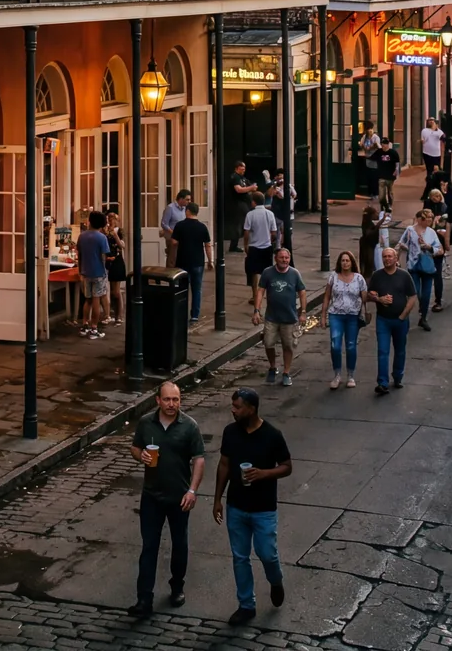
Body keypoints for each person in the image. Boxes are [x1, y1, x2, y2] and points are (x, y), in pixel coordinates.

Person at [127, 379, 206, 618]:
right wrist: (140, 456)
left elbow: (199, 459)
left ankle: (177, 586)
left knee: (179, 544)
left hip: (179, 497)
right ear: (158, 400)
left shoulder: (189, 426)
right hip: (151, 495)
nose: (172, 404)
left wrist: (192, 491)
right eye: (168, 399)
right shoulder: (146, 423)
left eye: (176, 399)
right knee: (149, 546)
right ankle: (144, 598)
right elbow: (135, 447)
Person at [213, 387, 291, 627]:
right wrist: (217, 499)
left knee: (267, 554)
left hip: (263, 508)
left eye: (237, 407)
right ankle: (246, 605)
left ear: (252, 409)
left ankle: (275, 581)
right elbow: (224, 464)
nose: (233, 410)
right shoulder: (230, 432)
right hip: (237, 505)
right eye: (232, 406)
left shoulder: (272, 435)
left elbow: (287, 466)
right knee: (240, 557)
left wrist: (264, 473)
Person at [365, 244, 416, 395]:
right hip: (383, 320)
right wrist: (379, 299)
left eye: (389, 256)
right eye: (384, 257)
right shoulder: (377, 276)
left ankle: (398, 376)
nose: (387, 259)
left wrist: (403, 315)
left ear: (396, 259)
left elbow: (412, 296)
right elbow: (369, 295)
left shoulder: (404, 276)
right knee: (383, 351)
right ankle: (382, 383)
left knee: (400, 351)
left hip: (400, 320)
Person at [255, 246, 307, 386]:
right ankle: (273, 367)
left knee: (288, 346)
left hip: (289, 318)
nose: (284, 260)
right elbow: (260, 291)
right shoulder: (268, 273)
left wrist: (303, 312)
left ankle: (286, 372)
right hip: (272, 317)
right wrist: (256, 310)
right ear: (276, 259)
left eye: (287, 258)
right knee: (268, 343)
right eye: (281, 257)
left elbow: (302, 292)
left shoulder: (294, 274)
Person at [325, 251, 367, 390]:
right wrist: (322, 315)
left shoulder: (359, 279)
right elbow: (326, 297)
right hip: (336, 314)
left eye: (347, 260)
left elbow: (364, 298)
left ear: (352, 263)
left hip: (353, 316)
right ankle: (337, 375)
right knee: (335, 346)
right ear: (339, 263)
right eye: (343, 260)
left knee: (350, 345)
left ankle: (350, 375)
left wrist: (365, 311)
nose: (345, 263)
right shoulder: (333, 277)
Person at [399, 210, 442, 332]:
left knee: (427, 294)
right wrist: (408, 248)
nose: (429, 221)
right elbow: (401, 243)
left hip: (427, 266)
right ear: (419, 219)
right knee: (416, 292)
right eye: (426, 218)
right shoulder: (410, 230)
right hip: (413, 265)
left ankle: (423, 318)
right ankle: (410, 317)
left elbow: (440, 250)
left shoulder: (432, 233)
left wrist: (428, 247)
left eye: (430, 218)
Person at [173, 201, 212, 327]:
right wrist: (210, 260)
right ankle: (194, 315)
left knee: (181, 290)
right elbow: (207, 245)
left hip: (182, 261)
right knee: (196, 290)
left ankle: (180, 313)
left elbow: (174, 242)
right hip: (197, 262)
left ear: (188, 211)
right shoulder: (202, 227)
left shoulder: (180, 226)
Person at [76, 210, 111, 338]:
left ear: (89, 221)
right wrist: (104, 270)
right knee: (97, 299)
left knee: (88, 300)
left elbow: (79, 254)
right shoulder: (102, 238)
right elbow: (104, 256)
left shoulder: (82, 236)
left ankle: (84, 324)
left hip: (85, 271)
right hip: (98, 272)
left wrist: (80, 270)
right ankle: (94, 328)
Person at [242, 191, 279, 299]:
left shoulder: (250, 214)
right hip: (267, 246)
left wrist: (245, 245)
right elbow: (274, 232)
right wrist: (270, 240)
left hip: (254, 247)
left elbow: (246, 232)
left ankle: (254, 296)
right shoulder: (270, 214)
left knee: (253, 272)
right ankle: (267, 294)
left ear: (253, 202)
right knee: (266, 273)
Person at [104, 208, 128, 325]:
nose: (111, 221)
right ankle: (108, 314)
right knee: (105, 290)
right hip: (106, 261)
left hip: (117, 261)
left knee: (116, 291)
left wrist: (115, 235)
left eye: (113, 219)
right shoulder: (104, 231)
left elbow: (122, 245)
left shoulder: (119, 231)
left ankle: (119, 315)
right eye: (109, 219)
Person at [228, 162, 253, 251]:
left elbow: (249, 186)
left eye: (244, 169)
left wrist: (252, 187)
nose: (243, 171)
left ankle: (235, 245)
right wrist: (251, 188)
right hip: (237, 203)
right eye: (241, 169)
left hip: (244, 202)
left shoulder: (243, 178)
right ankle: (233, 246)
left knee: (242, 223)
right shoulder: (235, 177)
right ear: (236, 168)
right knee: (238, 224)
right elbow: (238, 190)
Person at [160, 188, 188, 269]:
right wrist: (173, 232)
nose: (188, 201)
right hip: (172, 238)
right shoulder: (170, 208)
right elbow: (164, 223)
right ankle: (170, 278)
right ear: (181, 199)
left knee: (181, 259)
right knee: (172, 259)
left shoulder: (185, 209)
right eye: (187, 199)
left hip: (182, 238)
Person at [373, 137, 400, 219]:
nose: (384, 146)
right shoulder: (379, 152)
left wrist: (396, 170)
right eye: (382, 144)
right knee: (381, 195)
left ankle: (390, 205)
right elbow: (372, 158)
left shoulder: (393, 153)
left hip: (390, 176)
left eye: (385, 144)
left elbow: (397, 163)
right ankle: (384, 205)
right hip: (381, 175)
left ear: (388, 144)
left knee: (390, 192)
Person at [357, 206, 381, 284]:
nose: (377, 215)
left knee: (369, 268)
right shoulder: (368, 224)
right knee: (369, 268)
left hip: (369, 247)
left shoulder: (367, 223)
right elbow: (369, 234)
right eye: (375, 213)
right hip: (368, 249)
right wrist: (378, 225)